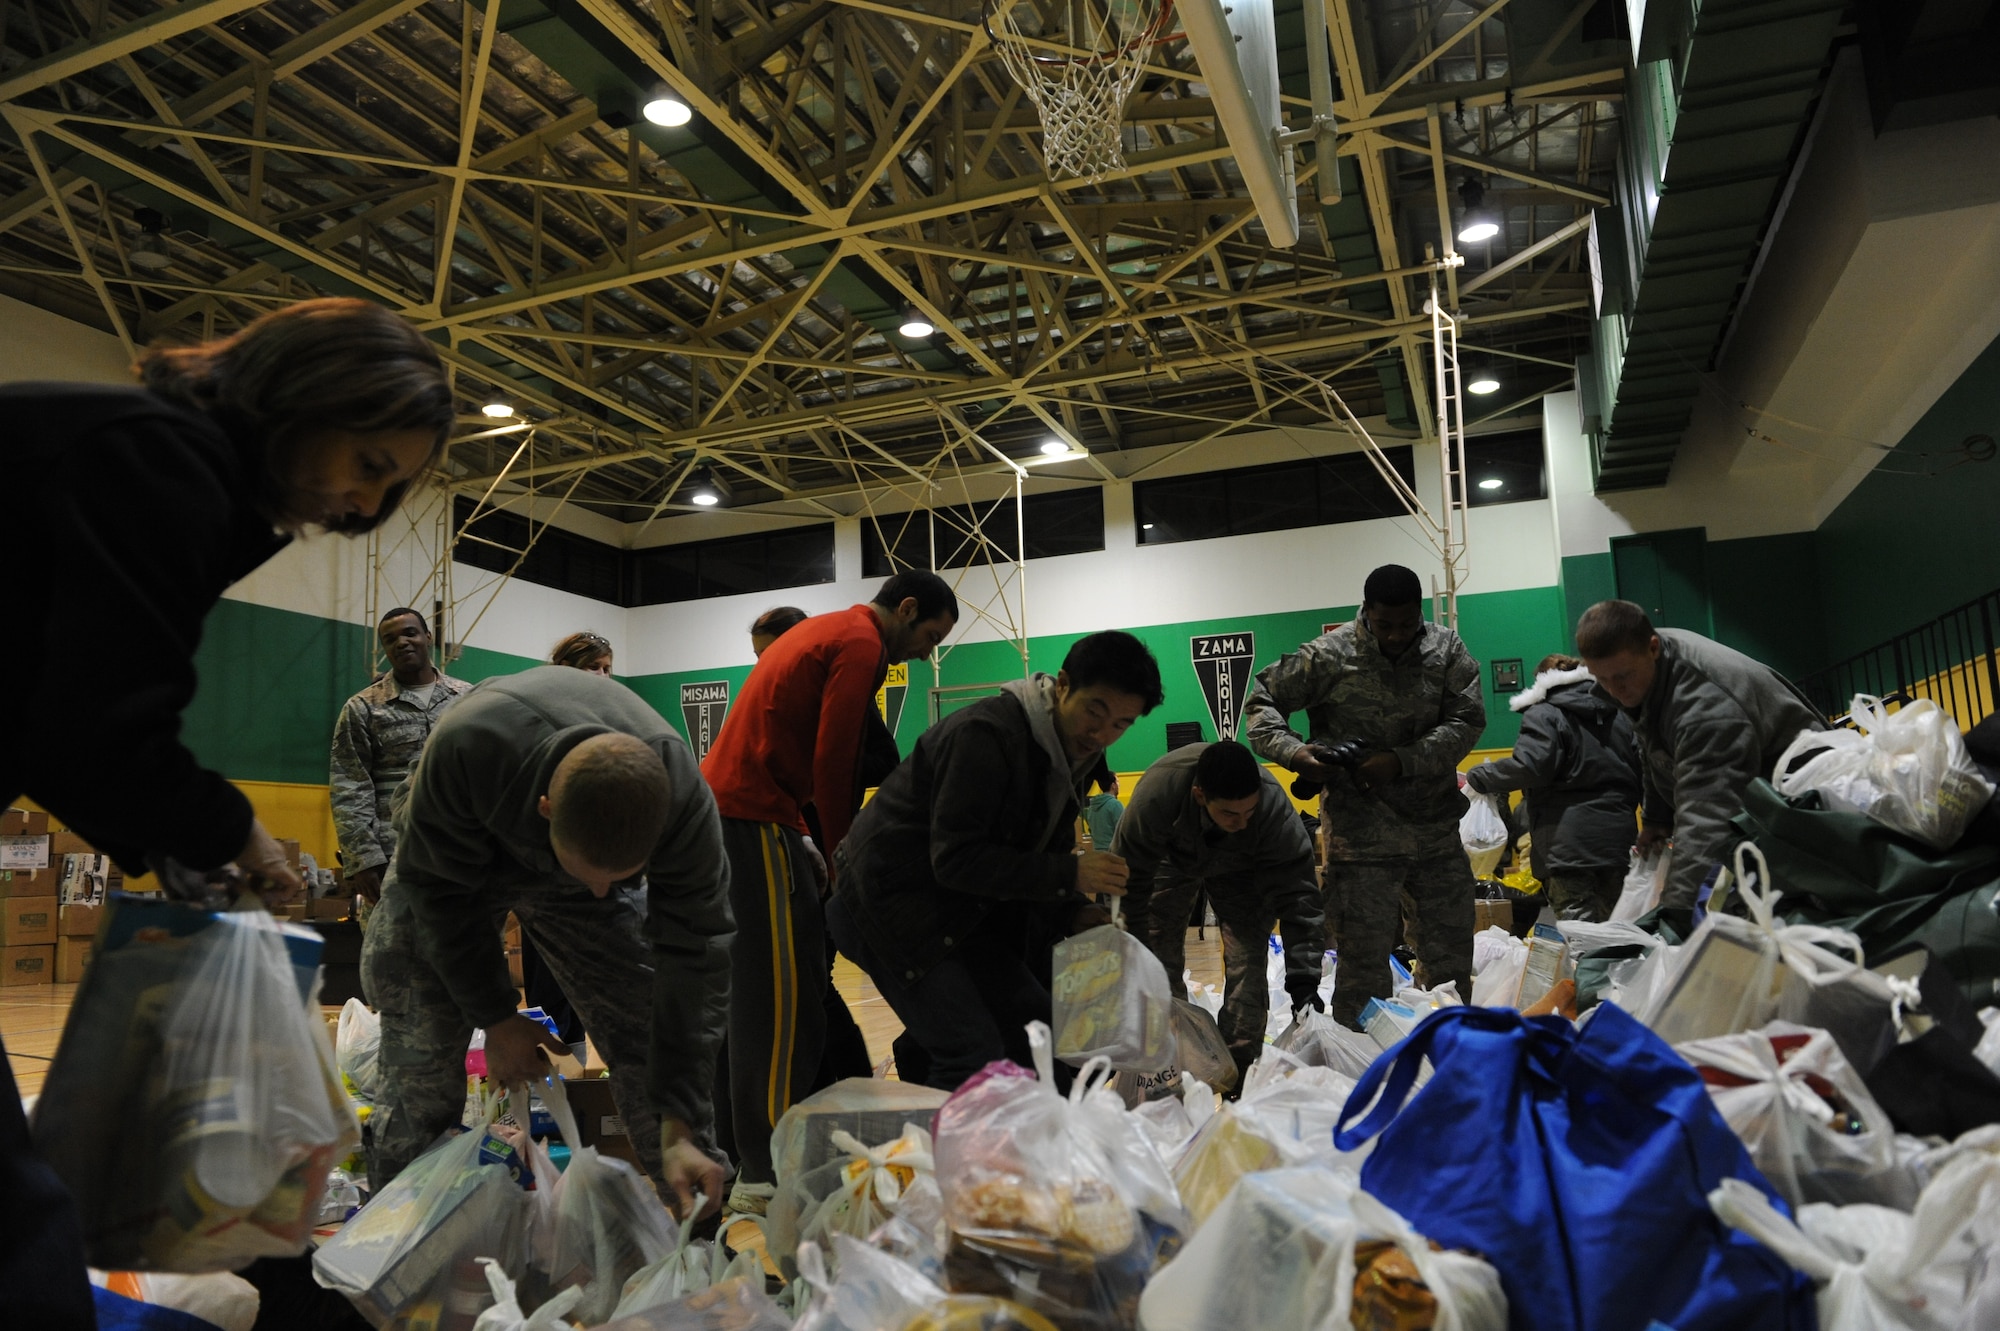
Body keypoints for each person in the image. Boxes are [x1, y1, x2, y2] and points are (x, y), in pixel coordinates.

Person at [1, 297, 452, 1330]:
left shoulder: (159, 461)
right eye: (370, 461)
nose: (363, 501)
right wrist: (230, 831)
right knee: (19, 1226)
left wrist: (186, 842)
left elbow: (49, 720)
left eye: (391, 483)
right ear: (308, 400)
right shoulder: (160, 464)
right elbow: (102, 726)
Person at [360, 666, 732, 1218]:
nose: (604, 891)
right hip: (456, 857)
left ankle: (693, 1235)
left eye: (625, 877)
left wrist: (677, 1119)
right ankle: (401, 1245)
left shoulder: (681, 798)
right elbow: (436, 896)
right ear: (546, 810)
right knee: (419, 1047)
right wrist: (497, 1018)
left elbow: (695, 960)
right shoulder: (468, 749)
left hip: (572, 835)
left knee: (646, 1023)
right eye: (593, 875)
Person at [699, 572, 959, 1212]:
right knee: (782, 1001)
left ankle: (747, 1158)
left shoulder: (832, 630)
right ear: (904, 609)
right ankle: (761, 1171)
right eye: (929, 637)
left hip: (761, 815)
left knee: (766, 998)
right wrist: (844, 851)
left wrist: (808, 838)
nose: (925, 654)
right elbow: (836, 756)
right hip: (750, 814)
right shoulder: (861, 642)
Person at [827, 631, 1164, 1092]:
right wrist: (1071, 874)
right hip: (885, 905)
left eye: (1121, 725)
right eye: (1095, 710)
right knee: (971, 1054)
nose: (1101, 733)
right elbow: (957, 859)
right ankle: (936, 1160)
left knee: (1039, 1037)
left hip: (961, 911)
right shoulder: (986, 735)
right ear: (1062, 684)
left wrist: (1073, 910)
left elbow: (1033, 854)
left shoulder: (1073, 753)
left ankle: (1045, 1157)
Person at [1243, 564, 1486, 1027]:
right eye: (1384, 625)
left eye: (1407, 624)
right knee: (1361, 971)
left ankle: (1447, 1058)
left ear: (1420, 613)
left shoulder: (1446, 649)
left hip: (1434, 832)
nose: (1396, 636)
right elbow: (1260, 701)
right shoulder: (1330, 655)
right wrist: (1297, 754)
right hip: (1360, 839)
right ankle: (1365, 1075)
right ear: (1367, 611)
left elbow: (1467, 720)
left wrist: (1401, 760)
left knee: (1450, 963)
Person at [1575, 601, 1825, 911]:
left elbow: (1708, 816)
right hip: (1762, 815)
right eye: (1602, 679)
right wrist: (1657, 818)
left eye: (1622, 676)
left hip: (1808, 818)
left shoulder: (1705, 706)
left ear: (1652, 648)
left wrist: (1676, 912)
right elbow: (1653, 744)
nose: (1614, 689)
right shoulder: (1647, 666)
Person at [1112, 740, 1325, 1073]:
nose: (1240, 821)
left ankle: (1238, 1069)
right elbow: (1127, 882)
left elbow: (1299, 897)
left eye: (1248, 813)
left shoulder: (1271, 809)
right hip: (1171, 859)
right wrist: (1136, 955)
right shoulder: (1157, 793)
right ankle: (1170, 1062)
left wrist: (1304, 982)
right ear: (1200, 795)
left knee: (1248, 958)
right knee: (1156, 956)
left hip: (1243, 865)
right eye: (1229, 813)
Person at [1464, 654, 1642, 921]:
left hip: (1568, 846)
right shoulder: (1620, 715)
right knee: (1618, 930)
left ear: (1541, 683)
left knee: (1581, 934)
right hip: (1619, 841)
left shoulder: (1545, 713)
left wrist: (1481, 776)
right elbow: (1645, 769)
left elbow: (1530, 766)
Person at [517, 630, 621, 1066]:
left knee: (599, 987)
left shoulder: (613, 720)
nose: (600, 676)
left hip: (595, 874)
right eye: (591, 667)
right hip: (544, 876)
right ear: (565, 670)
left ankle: (584, 1077)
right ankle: (554, 1084)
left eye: (606, 668)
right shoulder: (535, 720)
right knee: (550, 987)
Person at [329, 608, 471, 915]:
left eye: (410, 633)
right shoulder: (363, 708)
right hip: (393, 859)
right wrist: (364, 861)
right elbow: (349, 786)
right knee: (391, 956)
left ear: (428, 637)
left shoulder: (468, 700)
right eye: (390, 639)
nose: (402, 642)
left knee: (461, 951)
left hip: (461, 854)